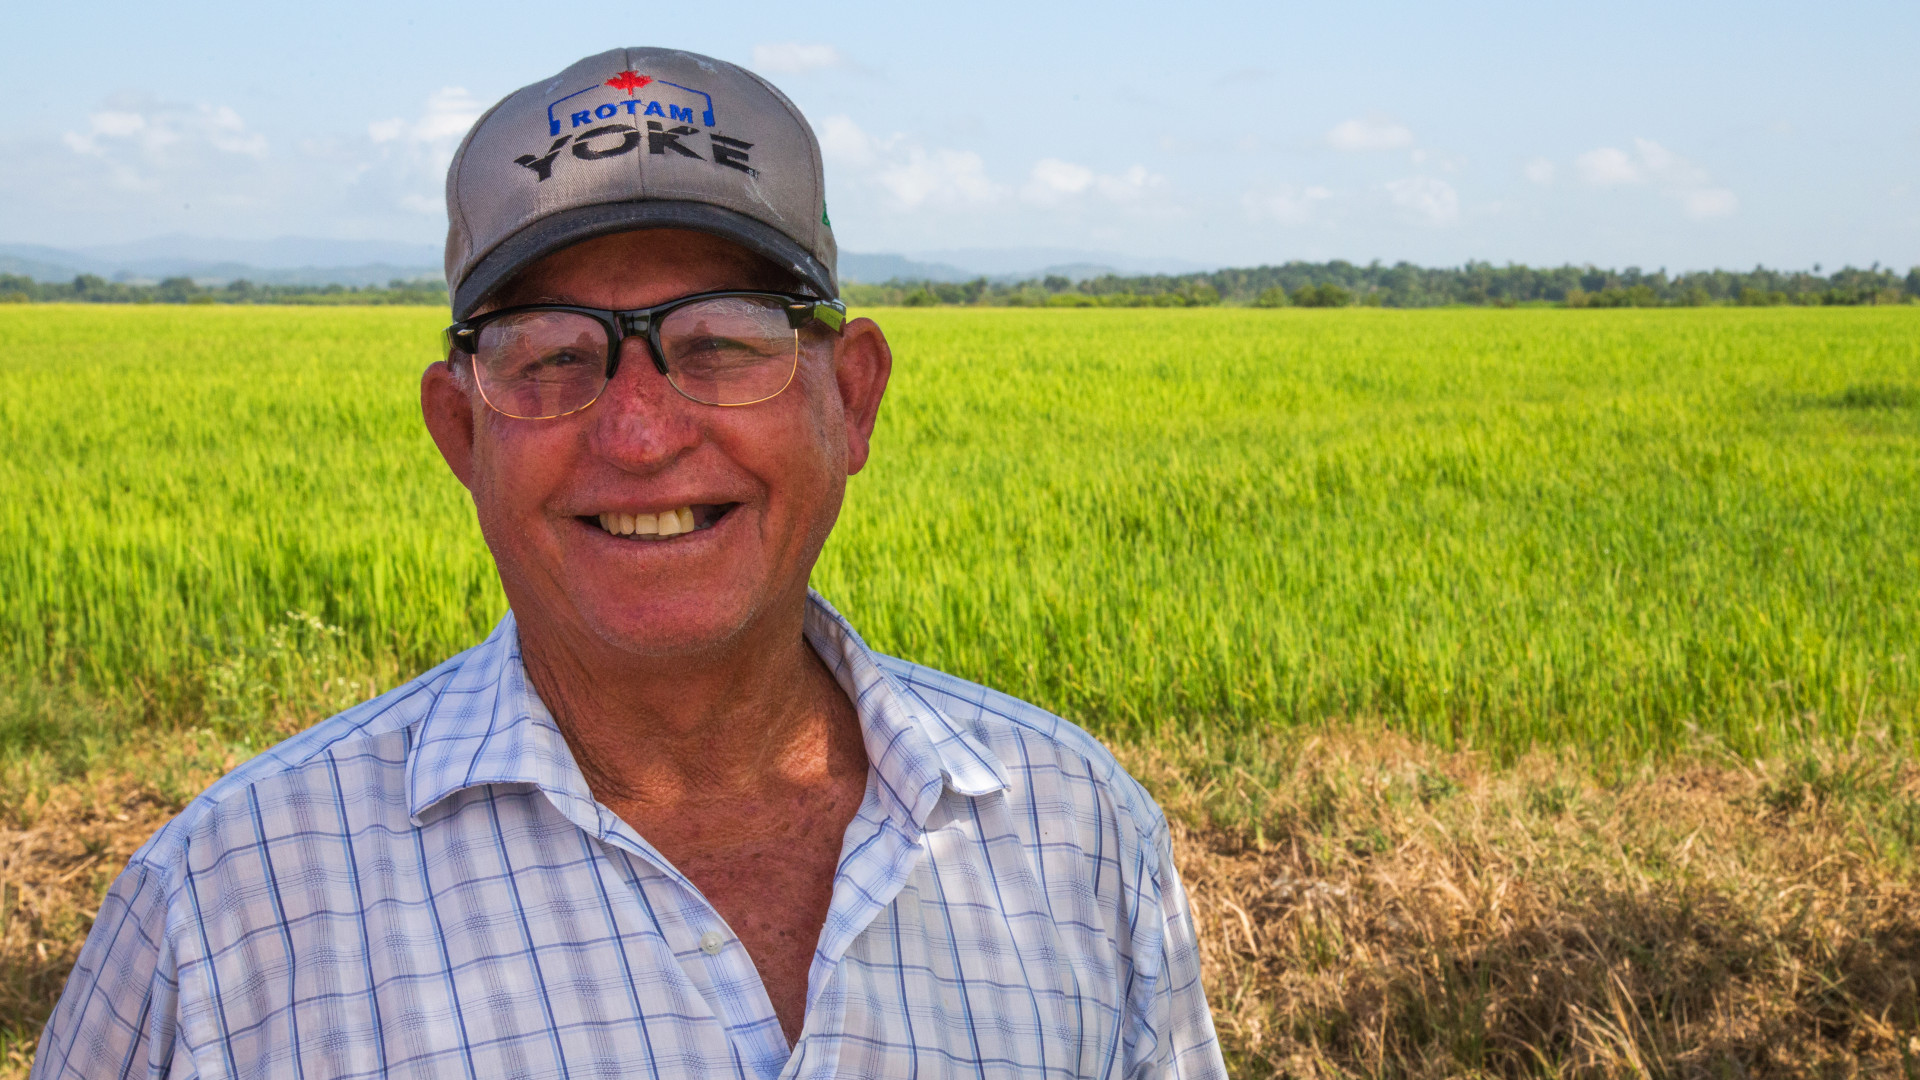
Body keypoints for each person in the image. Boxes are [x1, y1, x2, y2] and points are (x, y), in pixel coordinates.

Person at [32, 47, 1226, 1080]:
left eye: (721, 342)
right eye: (552, 357)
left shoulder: (1076, 835)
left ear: (852, 400)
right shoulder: (229, 905)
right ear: (461, 433)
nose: (642, 434)